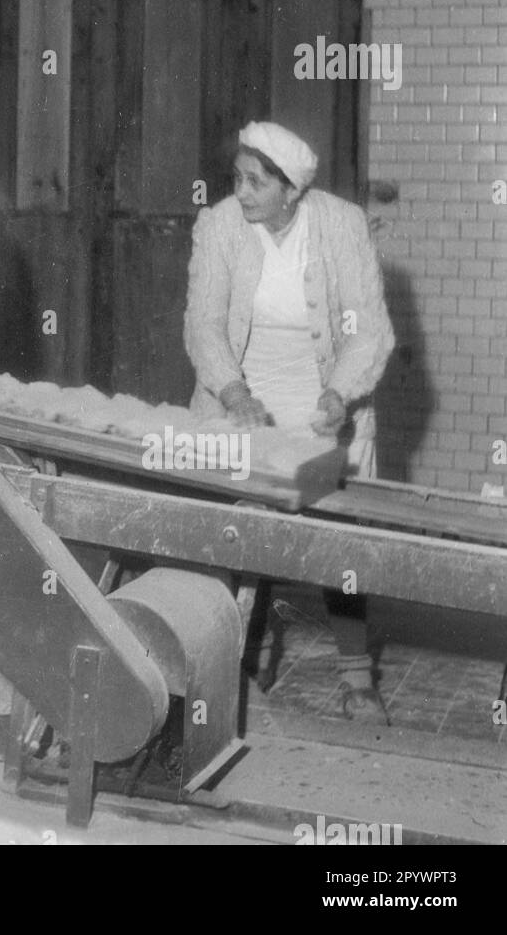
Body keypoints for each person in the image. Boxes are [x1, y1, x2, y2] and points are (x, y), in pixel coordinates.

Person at [184, 120, 395, 722]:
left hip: (322, 397)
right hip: (240, 393)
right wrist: (233, 394)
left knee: (337, 547)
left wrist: (338, 395)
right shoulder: (220, 224)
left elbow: (367, 328)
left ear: (291, 191)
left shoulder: (341, 225)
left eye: (256, 182)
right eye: (238, 178)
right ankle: (238, 665)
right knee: (235, 536)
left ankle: (357, 678)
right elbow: (204, 323)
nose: (241, 192)